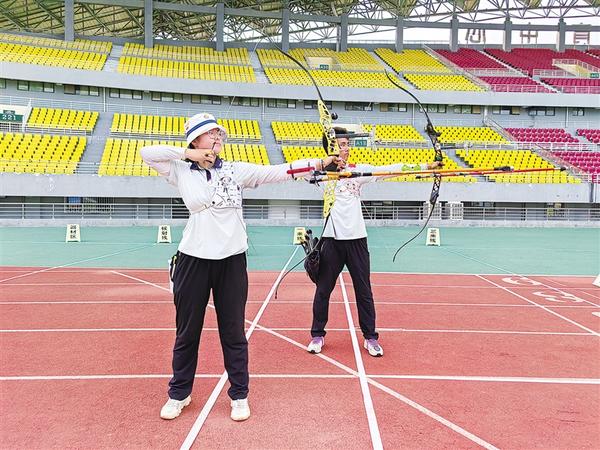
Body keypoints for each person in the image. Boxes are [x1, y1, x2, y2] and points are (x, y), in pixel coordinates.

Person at [141, 113, 337, 421]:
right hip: (193, 259)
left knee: (233, 332)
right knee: (187, 332)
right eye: (211, 133)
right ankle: (179, 393)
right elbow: (146, 153)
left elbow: (279, 171)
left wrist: (320, 163)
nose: (217, 137)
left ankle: (239, 395)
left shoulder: (234, 170)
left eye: (219, 134)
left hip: (231, 261)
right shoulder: (180, 169)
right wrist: (189, 155)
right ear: (195, 139)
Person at [306, 127, 442, 357]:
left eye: (347, 144)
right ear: (331, 148)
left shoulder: (358, 172)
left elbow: (391, 170)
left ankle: (370, 337)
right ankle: (317, 335)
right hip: (331, 240)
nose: (346, 148)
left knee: (364, 291)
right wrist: (325, 165)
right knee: (323, 290)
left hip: (357, 240)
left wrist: (428, 166)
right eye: (341, 145)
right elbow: (301, 172)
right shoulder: (320, 176)